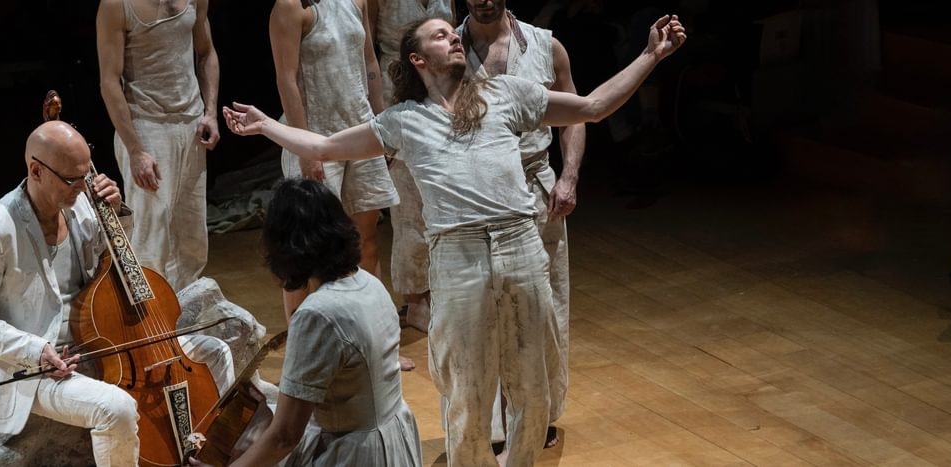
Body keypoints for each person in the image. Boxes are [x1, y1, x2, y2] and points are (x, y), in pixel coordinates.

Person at [222, 15, 685, 466]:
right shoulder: (404, 120)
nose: (456, 39)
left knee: (531, 380)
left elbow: (591, 107)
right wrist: (266, 126)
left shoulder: (506, 93)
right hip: (458, 257)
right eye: (441, 37)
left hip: (519, 243)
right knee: (465, 384)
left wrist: (649, 56)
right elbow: (323, 146)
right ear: (418, 60)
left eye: (453, 33)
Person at [191, 178, 422, 467]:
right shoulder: (369, 283)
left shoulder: (317, 314)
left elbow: (285, 436)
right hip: (392, 438)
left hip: (355, 454)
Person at [0, 121, 139, 466]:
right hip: (33, 369)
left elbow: (109, 266)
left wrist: (115, 214)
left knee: (209, 350)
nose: (84, 187)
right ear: (36, 170)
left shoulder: (80, 205)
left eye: (86, 175)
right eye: (72, 179)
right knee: (117, 408)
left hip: (95, 342)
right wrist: (36, 350)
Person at [457, 0, 584, 450]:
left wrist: (568, 177)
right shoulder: (449, 49)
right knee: (482, 311)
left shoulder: (546, 47)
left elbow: (578, 114)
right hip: (476, 193)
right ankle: (491, 423)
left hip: (536, 187)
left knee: (545, 308)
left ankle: (539, 413)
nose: (484, 3)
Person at [270, 0, 413, 370]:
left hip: (359, 130)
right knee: (303, 251)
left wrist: (384, 128)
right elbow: (286, 78)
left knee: (365, 240)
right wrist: (304, 148)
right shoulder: (290, 7)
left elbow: (369, 65)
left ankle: (379, 342)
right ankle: (305, 352)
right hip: (314, 134)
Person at [97, 0, 221, 291]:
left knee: (192, 237)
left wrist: (211, 112)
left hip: (190, 123)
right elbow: (109, 82)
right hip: (146, 127)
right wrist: (136, 149)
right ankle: (152, 323)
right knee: (150, 238)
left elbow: (206, 53)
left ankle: (185, 318)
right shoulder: (117, 5)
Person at [367, 0, 456, 333]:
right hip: (398, 96)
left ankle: (443, 290)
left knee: (441, 200)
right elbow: (366, 53)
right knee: (407, 208)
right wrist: (380, 116)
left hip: (443, 98)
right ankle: (416, 299)